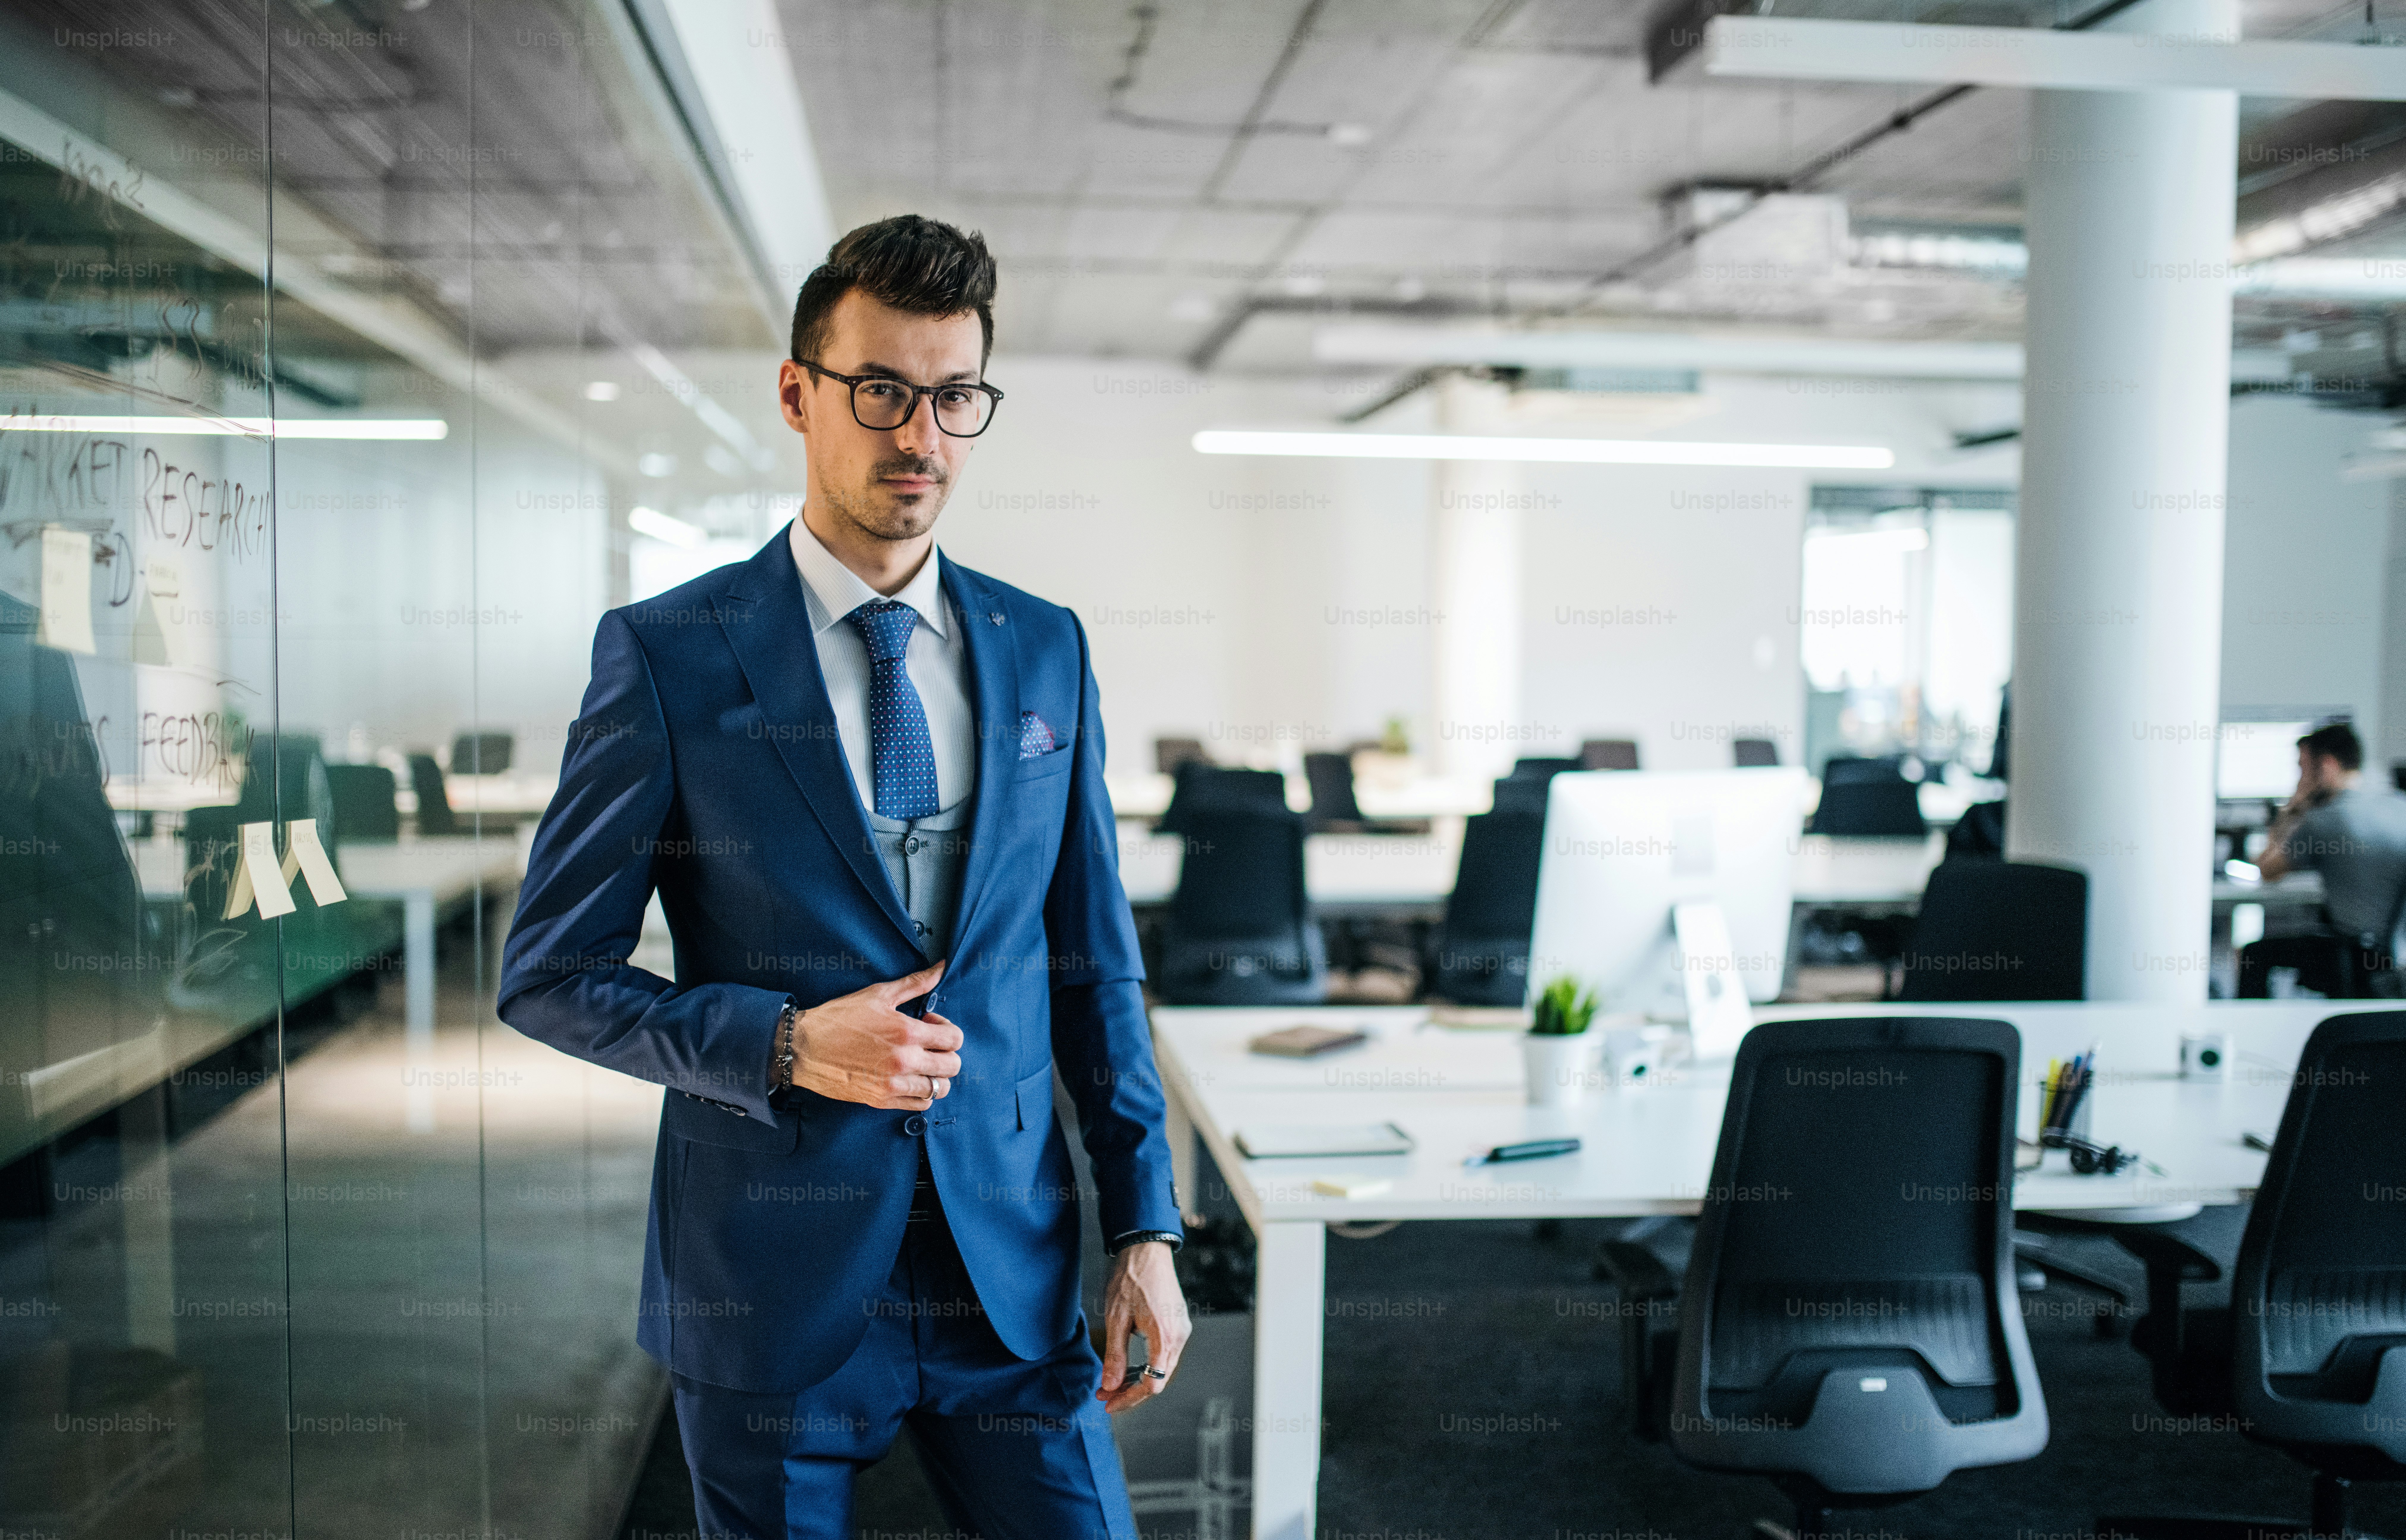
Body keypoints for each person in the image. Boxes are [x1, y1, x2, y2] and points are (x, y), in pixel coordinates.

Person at [498, 215, 1188, 1539]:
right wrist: (782, 1042)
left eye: (952, 397)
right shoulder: (671, 653)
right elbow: (550, 976)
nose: (916, 435)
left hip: (1008, 1274)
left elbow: (1091, 962)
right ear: (798, 392)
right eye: (879, 390)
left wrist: (1144, 1226)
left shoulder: (1040, 647)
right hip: (767, 1275)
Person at [2238, 721, 2406, 998]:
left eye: (2302, 769)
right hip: (2393, 961)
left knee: (2254, 954)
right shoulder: (2399, 804)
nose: (2299, 779)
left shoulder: (2326, 819)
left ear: (2326, 766)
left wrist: (2294, 806)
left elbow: (2266, 869)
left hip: (2352, 958)